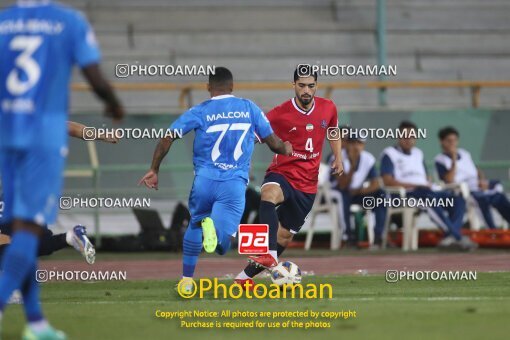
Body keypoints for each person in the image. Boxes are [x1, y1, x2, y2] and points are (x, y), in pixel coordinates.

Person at [0, 1, 123, 338]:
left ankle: (36, 321)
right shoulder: (68, 21)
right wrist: (112, 103)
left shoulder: (4, 23)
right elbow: (93, 75)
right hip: (41, 144)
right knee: (22, 232)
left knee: (17, 233)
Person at [139, 67, 291, 292]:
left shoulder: (200, 110)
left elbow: (167, 137)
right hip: (233, 185)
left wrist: (154, 169)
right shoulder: (249, 108)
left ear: (208, 87)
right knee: (221, 246)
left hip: (204, 180)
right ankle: (213, 231)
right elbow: (273, 143)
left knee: (194, 222)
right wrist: (285, 148)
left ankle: (187, 280)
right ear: (232, 86)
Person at [235, 68, 344, 287]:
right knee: (268, 194)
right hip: (283, 172)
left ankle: (243, 278)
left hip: (308, 184)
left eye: (311, 85)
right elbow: (252, 137)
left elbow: (333, 130)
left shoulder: (328, 107)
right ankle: (271, 254)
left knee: (284, 236)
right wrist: (240, 163)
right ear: (293, 85)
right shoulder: (279, 113)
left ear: (316, 86)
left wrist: (338, 158)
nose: (306, 90)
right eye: (302, 85)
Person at [380, 121, 476, 251]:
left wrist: (428, 182)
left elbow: (424, 176)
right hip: (405, 194)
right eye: (405, 136)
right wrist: (415, 184)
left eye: (412, 137)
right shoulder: (389, 154)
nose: (409, 140)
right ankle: (458, 237)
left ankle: (449, 239)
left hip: (426, 190)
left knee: (457, 198)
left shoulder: (418, 153)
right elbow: (387, 181)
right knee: (428, 198)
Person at [435, 126, 510, 229]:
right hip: (463, 191)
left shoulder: (465, 153)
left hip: (477, 186)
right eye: (449, 141)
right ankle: (492, 231)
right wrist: (453, 159)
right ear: (442, 142)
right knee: (481, 200)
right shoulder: (440, 159)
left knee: (498, 193)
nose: (452, 143)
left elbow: (476, 170)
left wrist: (482, 180)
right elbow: (448, 180)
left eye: (455, 140)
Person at [329, 132, 387, 247]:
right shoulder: (337, 157)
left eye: (359, 143)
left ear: (363, 145)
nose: (356, 146)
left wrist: (359, 191)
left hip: (357, 192)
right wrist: (353, 165)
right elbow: (343, 184)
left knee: (381, 195)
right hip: (336, 192)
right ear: (347, 144)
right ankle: (348, 237)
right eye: (352, 143)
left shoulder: (368, 158)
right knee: (343, 195)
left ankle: (378, 236)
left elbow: (376, 184)